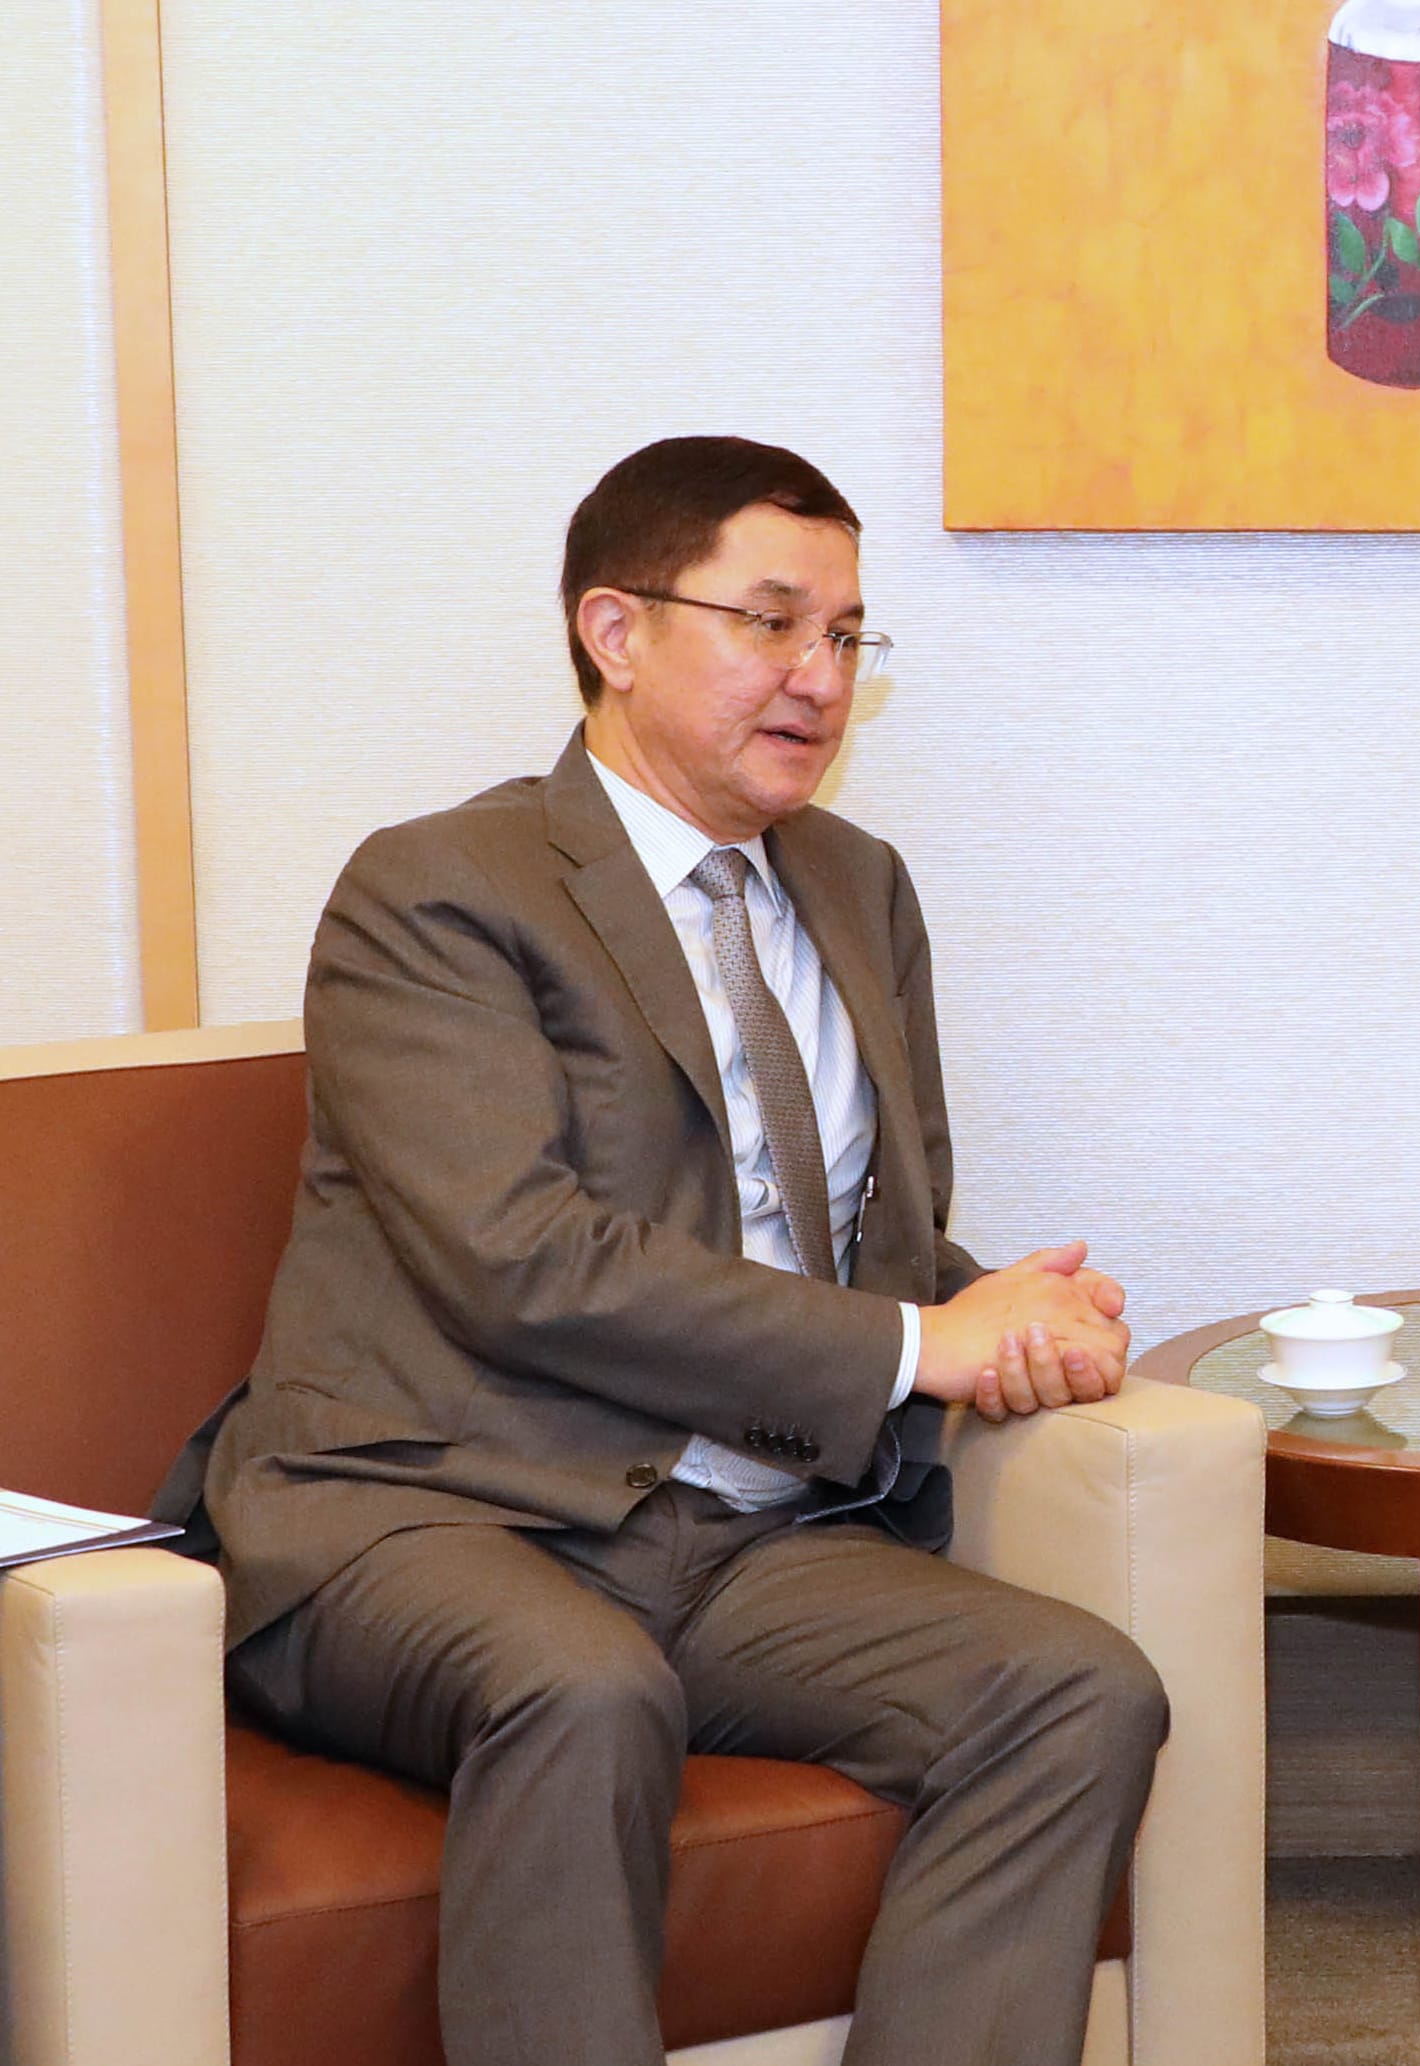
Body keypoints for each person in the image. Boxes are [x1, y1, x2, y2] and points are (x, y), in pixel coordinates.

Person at [160, 436, 1165, 2066]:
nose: (819, 677)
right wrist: (921, 1350)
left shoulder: (858, 887)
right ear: (616, 632)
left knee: (1077, 1691)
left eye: (847, 635)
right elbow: (523, 1255)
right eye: (771, 622)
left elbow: (847, 1233)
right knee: (583, 1687)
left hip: (734, 1534)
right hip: (426, 1506)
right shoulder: (438, 892)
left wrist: (1002, 1309)